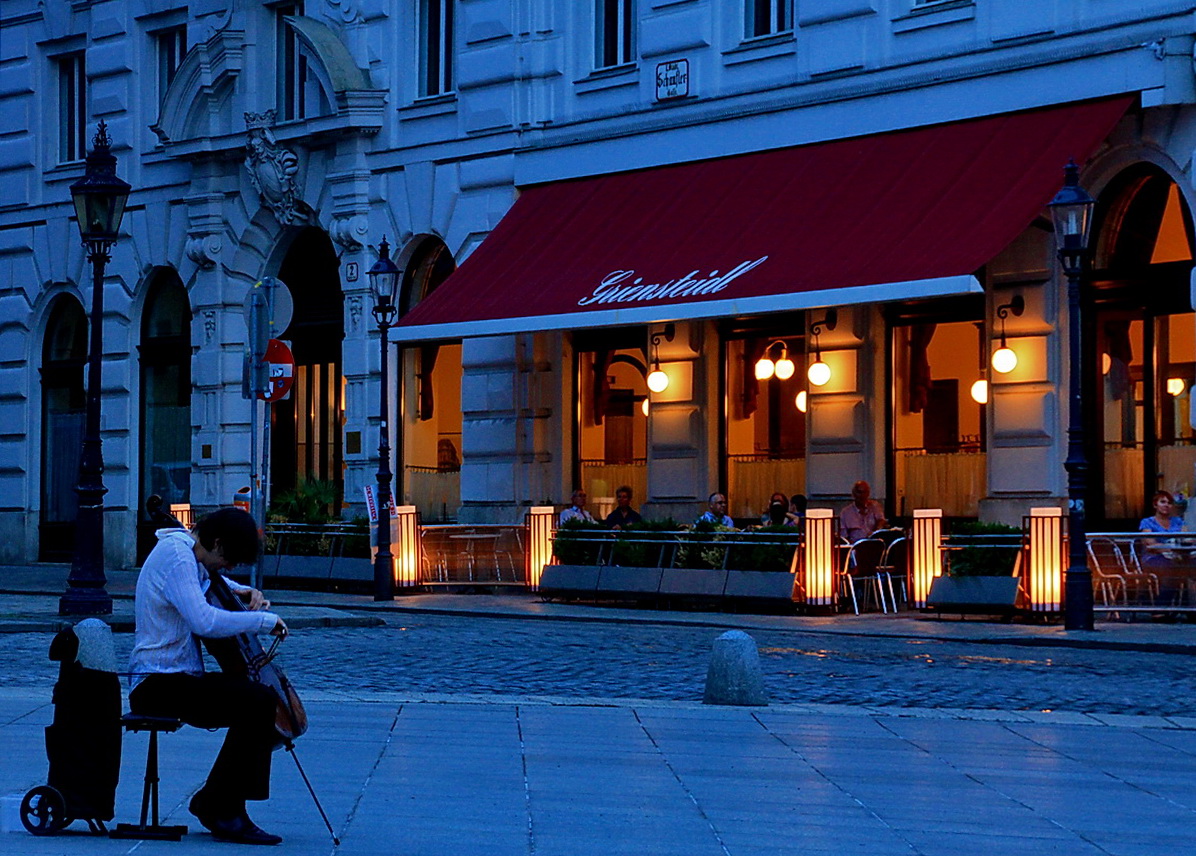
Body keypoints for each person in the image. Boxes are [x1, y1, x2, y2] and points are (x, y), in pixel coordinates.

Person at [128, 507, 288, 846]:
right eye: (228, 560)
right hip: (157, 683)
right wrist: (262, 621)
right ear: (215, 543)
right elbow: (204, 621)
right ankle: (223, 808)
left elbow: (208, 581)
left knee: (259, 699)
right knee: (258, 701)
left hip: (177, 679)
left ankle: (219, 802)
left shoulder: (189, 555)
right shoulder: (177, 557)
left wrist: (241, 590)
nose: (227, 568)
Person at [1139, 490, 1185, 566]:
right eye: (1163, 502)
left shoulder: (1178, 521)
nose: (1166, 505)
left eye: (1169, 503)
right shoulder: (1147, 522)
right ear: (1155, 505)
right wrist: (1172, 549)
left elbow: (1185, 539)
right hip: (1154, 557)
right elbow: (1150, 544)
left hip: (1179, 557)